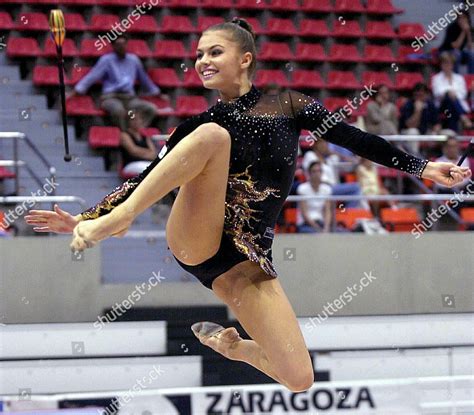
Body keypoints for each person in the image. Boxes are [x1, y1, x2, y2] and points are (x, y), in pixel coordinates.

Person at [24, 18, 471, 393]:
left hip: (246, 262)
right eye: (199, 54)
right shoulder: (200, 125)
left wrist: (424, 166)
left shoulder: (290, 106)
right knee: (214, 136)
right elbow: (143, 180)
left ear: (245, 58)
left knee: (299, 378)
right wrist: (89, 218)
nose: (202, 61)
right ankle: (118, 224)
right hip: (199, 239)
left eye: (214, 52)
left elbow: (356, 139)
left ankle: (233, 347)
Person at [68, 35, 169, 130]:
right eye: (118, 44)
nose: (122, 47)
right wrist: (75, 92)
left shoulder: (134, 60)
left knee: (151, 109)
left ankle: (137, 132)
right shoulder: (106, 60)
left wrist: (158, 94)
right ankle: (125, 134)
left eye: (123, 44)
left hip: (129, 98)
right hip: (111, 97)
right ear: (113, 46)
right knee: (118, 111)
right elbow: (91, 77)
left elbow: (145, 79)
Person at [303, 139, 362, 208]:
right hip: (319, 186)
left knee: (357, 189)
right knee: (356, 187)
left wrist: (333, 153)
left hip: (333, 188)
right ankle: (348, 213)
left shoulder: (330, 159)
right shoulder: (310, 155)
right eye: (321, 143)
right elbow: (312, 169)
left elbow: (348, 167)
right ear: (316, 145)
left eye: (326, 144)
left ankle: (348, 213)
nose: (324, 146)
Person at [432, 52, 472, 132]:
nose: (447, 66)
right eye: (445, 63)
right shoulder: (436, 78)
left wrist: (454, 95)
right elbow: (436, 93)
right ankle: (463, 117)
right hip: (442, 106)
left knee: (451, 106)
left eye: (449, 63)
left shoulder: (459, 78)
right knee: (448, 97)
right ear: (441, 65)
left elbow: (463, 94)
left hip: (455, 105)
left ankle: (452, 132)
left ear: (452, 65)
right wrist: (448, 92)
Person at [399, 82, 442, 154]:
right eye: (416, 95)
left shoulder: (430, 104)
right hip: (407, 133)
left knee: (447, 134)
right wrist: (417, 111)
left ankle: (444, 158)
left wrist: (435, 132)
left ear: (426, 95)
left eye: (421, 95)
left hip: (426, 132)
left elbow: (437, 123)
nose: (418, 98)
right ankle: (415, 159)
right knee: (413, 132)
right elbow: (410, 125)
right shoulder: (408, 104)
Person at [296, 161, 332, 233]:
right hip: (305, 224)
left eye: (319, 171)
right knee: (313, 233)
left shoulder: (327, 189)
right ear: (309, 174)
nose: (317, 174)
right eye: (314, 171)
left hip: (320, 222)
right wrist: (317, 229)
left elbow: (328, 211)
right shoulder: (302, 188)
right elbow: (304, 214)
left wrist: (326, 228)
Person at [120, 111, 158, 176]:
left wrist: (140, 152)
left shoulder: (145, 137)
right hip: (131, 164)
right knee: (151, 170)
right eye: (133, 120)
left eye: (138, 119)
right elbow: (133, 151)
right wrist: (147, 152)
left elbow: (154, 154)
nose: (136, 122)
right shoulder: (125, 135)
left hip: (146, 163)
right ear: (128, 121)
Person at [439, 9, 474, 74]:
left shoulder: (469, 28)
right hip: (446, 51)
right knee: (457, 54)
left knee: (472, 55)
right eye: (459, 18)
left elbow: (470, 47)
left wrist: (468, 32)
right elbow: (456, 46)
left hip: (459, 51)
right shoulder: (452, 27)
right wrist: (463, 32)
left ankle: (471, 77)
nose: (462, 20)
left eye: (464, 18)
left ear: (467, 19)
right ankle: (455, 77)